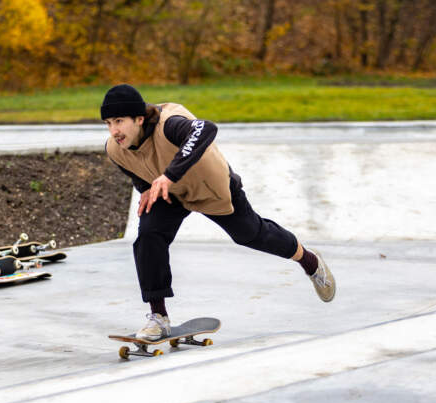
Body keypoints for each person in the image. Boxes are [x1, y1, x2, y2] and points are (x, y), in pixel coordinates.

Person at [101, 84, 336, 340]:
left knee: (250, 234)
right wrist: (145, 188)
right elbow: (134, 169)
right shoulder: (115, 149)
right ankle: (159, 317)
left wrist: (169, 175)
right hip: (172, 194)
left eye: (119, 121)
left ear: (139, 118)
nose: (114, 131)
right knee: (148, 235)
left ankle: (309, 261)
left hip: (211, 187)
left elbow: (205, 128)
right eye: (108, 123)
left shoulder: (169, 125)